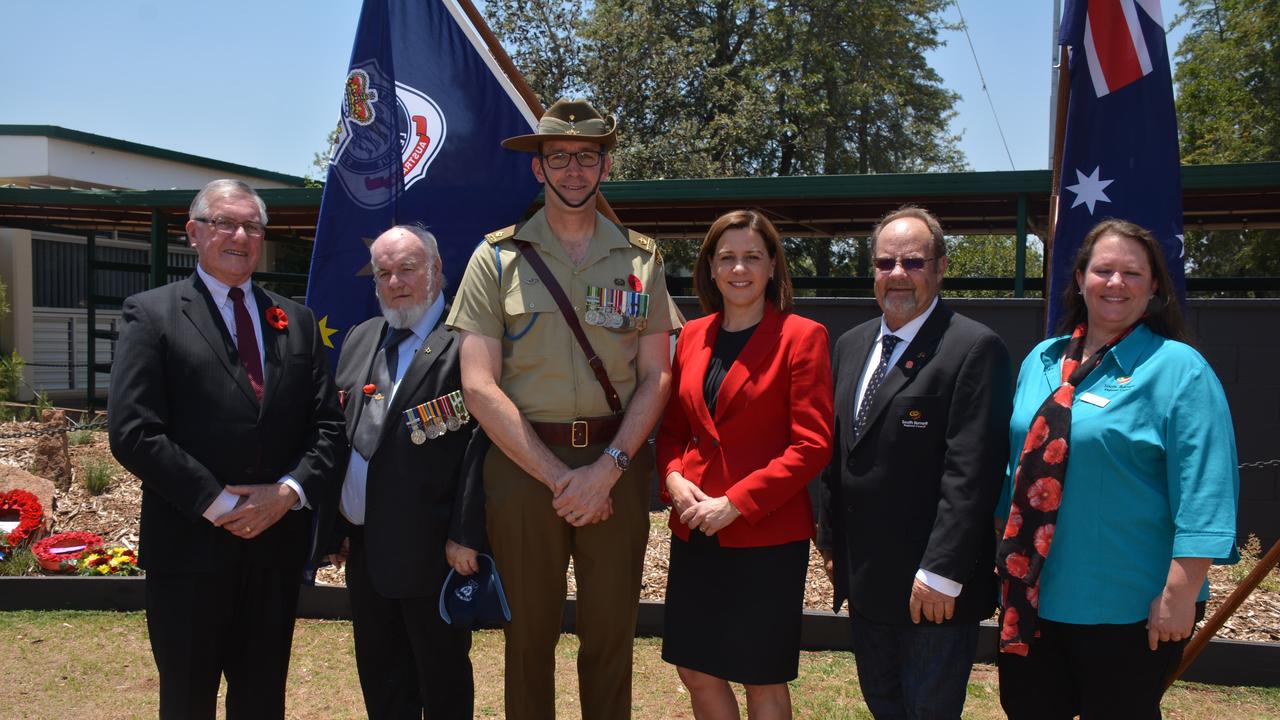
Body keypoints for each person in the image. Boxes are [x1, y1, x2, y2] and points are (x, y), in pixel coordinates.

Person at [446, 97, 677, 719]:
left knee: (610, 635)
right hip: (524, 466)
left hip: (616, 465)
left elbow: (658, 375)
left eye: (586, 157)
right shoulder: (495, 259)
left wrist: (606, 470)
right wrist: (559, 477)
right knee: (529, 637)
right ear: (538, 170)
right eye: (558, 158)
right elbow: (478, 385)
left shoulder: (641, 259)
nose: (572, 170)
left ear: (605, 167)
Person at [107, 179, 346, 720]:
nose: (240, 235)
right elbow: (133, 431)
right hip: (189, 550)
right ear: (194, 233)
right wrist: (222, 504)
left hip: (273, 552)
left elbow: (329, 428)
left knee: (262, 700)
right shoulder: (151, 314)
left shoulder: (297, 321)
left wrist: (285, 495)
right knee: (188, 701)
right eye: (225, 223)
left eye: (253, 226)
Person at [994, 218, 1239, 719]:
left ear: (1154, 289)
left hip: (1128, 606)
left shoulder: (1179, 369)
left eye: (1132, 273)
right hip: (1034, 596)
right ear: (1080, 278)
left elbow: (1206, 486)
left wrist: (1180, 591)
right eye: (1103, 269)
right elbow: (1013, 468)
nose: (1115, 283)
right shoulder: (1040, 359)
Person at [816, 205, 1012, 719]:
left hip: (932, 590)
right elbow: (840, 454)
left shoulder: (973, 348)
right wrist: (832, 540)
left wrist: (942, 573)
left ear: (941, 267)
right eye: (885, 263)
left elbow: (972, 473)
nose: (897, 274)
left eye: (913, 262)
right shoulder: (851, 345)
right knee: (885, 707)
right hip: (867, 583)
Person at [655, 210, 832, 720]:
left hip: (765, 535)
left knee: (762, 675)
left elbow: (812, 444)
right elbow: (671, 432)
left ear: (773, 265)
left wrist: (736, 503)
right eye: (727, 257)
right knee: (695, 667)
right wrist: (672, 478)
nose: (739, 269)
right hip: (696, 531)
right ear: (709, 268)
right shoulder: (691, 337)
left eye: (752, 257)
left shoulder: (802, 336)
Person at [324, 225, 486, 719]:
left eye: (408, 269)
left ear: (437, 271)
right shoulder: (360, 337)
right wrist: (336, 524)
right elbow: (341, 433)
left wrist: (466, 533)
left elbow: (482, 448)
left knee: (440, 680)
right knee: (381, 675)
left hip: (434, 548)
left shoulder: (468, 341)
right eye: (384, 272)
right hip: (366, 546)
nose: (395, 282)